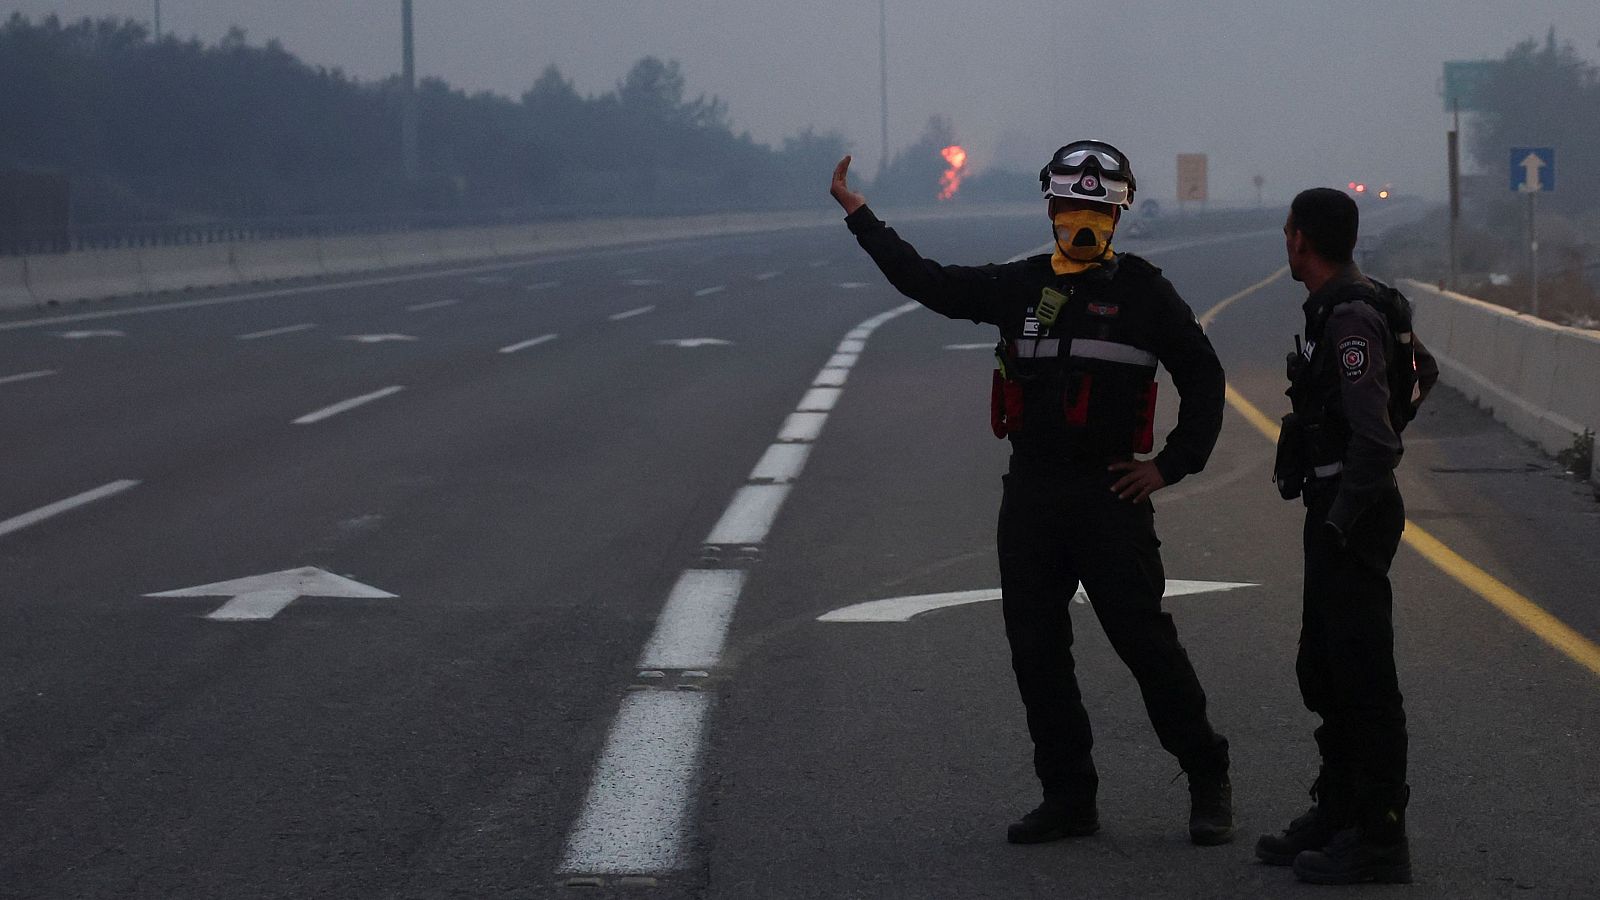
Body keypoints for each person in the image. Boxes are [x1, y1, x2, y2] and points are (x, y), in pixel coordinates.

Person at [829, 142, 1233, 846]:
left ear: (1119, 213)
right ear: (1050, 209)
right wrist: (862, 217)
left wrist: (1172, 465)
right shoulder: (1018, 287)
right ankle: (1069, 796)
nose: (1083, 219)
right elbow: (929, 282)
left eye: (1098, 208)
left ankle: (1207, 780)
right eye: (1072, 205)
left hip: (1111, 495)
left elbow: (1203, 377)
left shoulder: (1144, 293)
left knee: (1145, 645)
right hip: (1034, 497)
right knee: (1037, 653)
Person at [1257, 187, 1437, 884]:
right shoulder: (1359, 303)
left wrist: (1341, 513)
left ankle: (1380, 837)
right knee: (1324, 669)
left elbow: (1377, 437)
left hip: (1351, 510)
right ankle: (1336, 810)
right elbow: (1426, 373)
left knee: (1363, 680)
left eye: (1287, 230)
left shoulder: (1351, 316)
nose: (1285, 240)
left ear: (1302, 239)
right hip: (1338, 502)